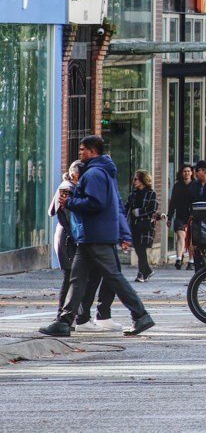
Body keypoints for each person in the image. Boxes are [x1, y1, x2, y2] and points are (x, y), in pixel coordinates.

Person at [40, 136, 155, 337]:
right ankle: (65, 321)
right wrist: (123, 233)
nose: (80, 153)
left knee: (113, 277)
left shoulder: (93, 174)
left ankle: (140, 315)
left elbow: (95, 203)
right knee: (77, 278)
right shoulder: (103, 172)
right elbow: (115, 205)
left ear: (93, 151)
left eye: (83, 150)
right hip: (92, 235)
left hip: (94, 234)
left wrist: (70, 202)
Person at [49, 161, 82, 317]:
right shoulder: (66, 188)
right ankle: (62, 313)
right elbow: (65, 215)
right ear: (75, 175)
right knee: (69, 276)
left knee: (73, 276)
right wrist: (76, 235)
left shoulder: (69, 187)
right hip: (67, 237)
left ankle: (69, 313)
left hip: (68, 235)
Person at [125, 170, 158, 282]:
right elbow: (127, 207)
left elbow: (152, 208)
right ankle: (147, 271)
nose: (134, 181)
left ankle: (141, 274)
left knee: (142, 249)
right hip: (134, 225)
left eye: (136, 179)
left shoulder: (151, 193)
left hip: (145, 225)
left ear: (142, 180)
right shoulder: (133, 194)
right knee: (138, 250)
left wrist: (138, 212)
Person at [167, 164, 194, 269]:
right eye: (184, 171)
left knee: (192, 239)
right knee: (180, 236)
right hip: (180, 215)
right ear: (181, 173)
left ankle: (191, 261)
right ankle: (178, 259)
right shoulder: (177, 186)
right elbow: (173, 202)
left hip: (192, 215)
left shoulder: (195, 185)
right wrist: (169, 217)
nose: (186, 173)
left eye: (188, 171)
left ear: (192, 173)